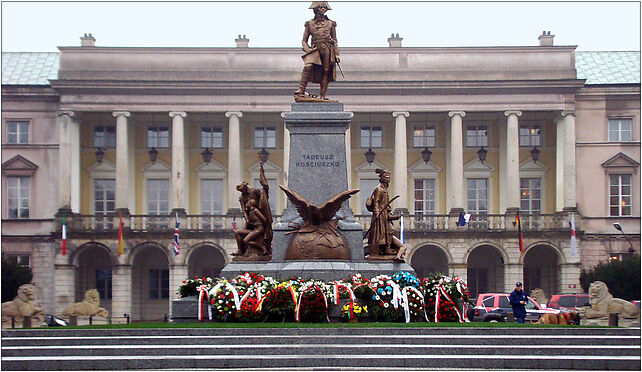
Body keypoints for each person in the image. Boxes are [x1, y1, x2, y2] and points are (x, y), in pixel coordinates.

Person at [294, 1, 340, 101]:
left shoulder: (330, 23)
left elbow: (335, 39)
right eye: (320, 7)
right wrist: (308, 50)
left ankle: (322, 95)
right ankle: (301, 90)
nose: (323, 9)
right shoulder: (309, 24)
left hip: (327, 48)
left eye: (324, 7)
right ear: (315, 9)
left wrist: (336, 54)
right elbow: (304, 40)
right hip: (314, 49)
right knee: (308, 66)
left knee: (326, 71)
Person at [366, 168, 406, 262]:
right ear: (382, 178)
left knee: (389, 230)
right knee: (383, 232)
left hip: (385, 214)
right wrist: (376, 213)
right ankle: (385, 247)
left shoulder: (385, 190)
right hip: (380, 215)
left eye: (389, 177)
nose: (388, 179)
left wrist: (395, 217)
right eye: (386, 177)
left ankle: (387, 248)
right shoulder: (379, 189)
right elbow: (376, 202)